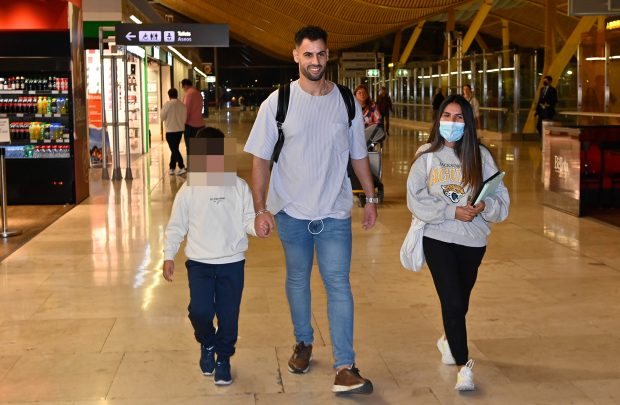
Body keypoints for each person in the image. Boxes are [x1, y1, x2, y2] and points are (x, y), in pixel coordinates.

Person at [244, 25, 377, 395]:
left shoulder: (347, 101)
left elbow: (358, 154)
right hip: (290, 211)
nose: (315, 61)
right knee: (298, 279)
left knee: (339, 285)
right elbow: (260, 159)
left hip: (334, 211)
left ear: (327, 55)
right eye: (308, 54)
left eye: (320, 54)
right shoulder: (278, 102)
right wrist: (260, 208)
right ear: (295, 56)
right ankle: (303, 342)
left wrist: (371, 197)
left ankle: (345, 366)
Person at [406, 95, 509, 391]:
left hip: (473, 241)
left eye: (459, 117)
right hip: (438, 237)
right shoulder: (426, 155)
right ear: (438, 120)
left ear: (469, 122)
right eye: (447, 116)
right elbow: (416, 199)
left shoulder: (482, 155)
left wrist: (483, 207)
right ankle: (465, 366)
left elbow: (501, 201)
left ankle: (449, 338)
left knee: (459, 304)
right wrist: (452, 210)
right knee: (451, 301)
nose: (452, 122)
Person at [163, 127, 257, 386]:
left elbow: (248, 219)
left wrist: (257, 226)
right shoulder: (189, 190)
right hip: (200, 263)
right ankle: (207, 343)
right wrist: (169, 255)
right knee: (200, 311)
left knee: (229, 315)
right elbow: (176, 225)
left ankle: (223, 357)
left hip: (232, 262)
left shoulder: (239, 187)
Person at [161, 88, 187, 175]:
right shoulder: (182, 105)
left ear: (169, 95)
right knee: (174, 149)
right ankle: (172, 167)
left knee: (174, 149)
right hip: (179, 131)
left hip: (170, 130)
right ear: (177, 94)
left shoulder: (167, 104)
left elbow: (162, 117)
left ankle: (182, 166)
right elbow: (185, 117)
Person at [181, 78, 205, 154]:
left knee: (190, 147)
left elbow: (186, 110)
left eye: (182, 88)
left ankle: (191, 165)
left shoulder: (188, 94)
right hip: (200, 124)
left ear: (185, 86)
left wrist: (183, 124)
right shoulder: (198, 93)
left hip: (191, 126)